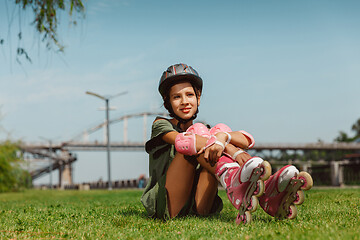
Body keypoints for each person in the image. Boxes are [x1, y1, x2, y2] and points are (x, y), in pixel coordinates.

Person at [141, 63, 312, 224]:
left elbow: (245, 140)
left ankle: (267, 194)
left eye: (190, 95)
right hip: (168, 204)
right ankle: (238, 182)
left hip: (199, 206)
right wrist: (230, 149)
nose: (185, 101)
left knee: (215, 132)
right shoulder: (160, 124)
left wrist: (224, 139)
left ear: (198, 98)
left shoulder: (207, 130)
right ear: (168, 102)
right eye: (176, 97)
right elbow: (181, 141)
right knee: (196, 140)